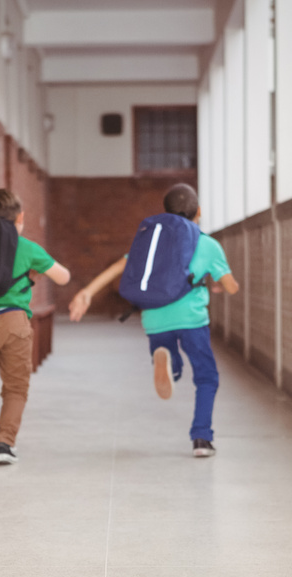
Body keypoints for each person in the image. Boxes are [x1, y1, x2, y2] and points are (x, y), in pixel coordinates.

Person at [68, 183, 239, 457]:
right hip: (192, 320)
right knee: (206, 377)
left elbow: (120, 267)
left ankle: (166, 361)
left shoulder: (154, 241)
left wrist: (87, 292)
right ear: (199, 212)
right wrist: (216, 283)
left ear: (167, 211)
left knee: (172, 367)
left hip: (155, 317)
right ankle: (201, 438)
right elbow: (230, 286)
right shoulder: (208, 244)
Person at [0, 189, 70, 465]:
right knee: (16, 388)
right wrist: (34, 270)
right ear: (20, 217)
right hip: (15, 322)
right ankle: (4, 443)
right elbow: (63, 278)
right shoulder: (27, 247)